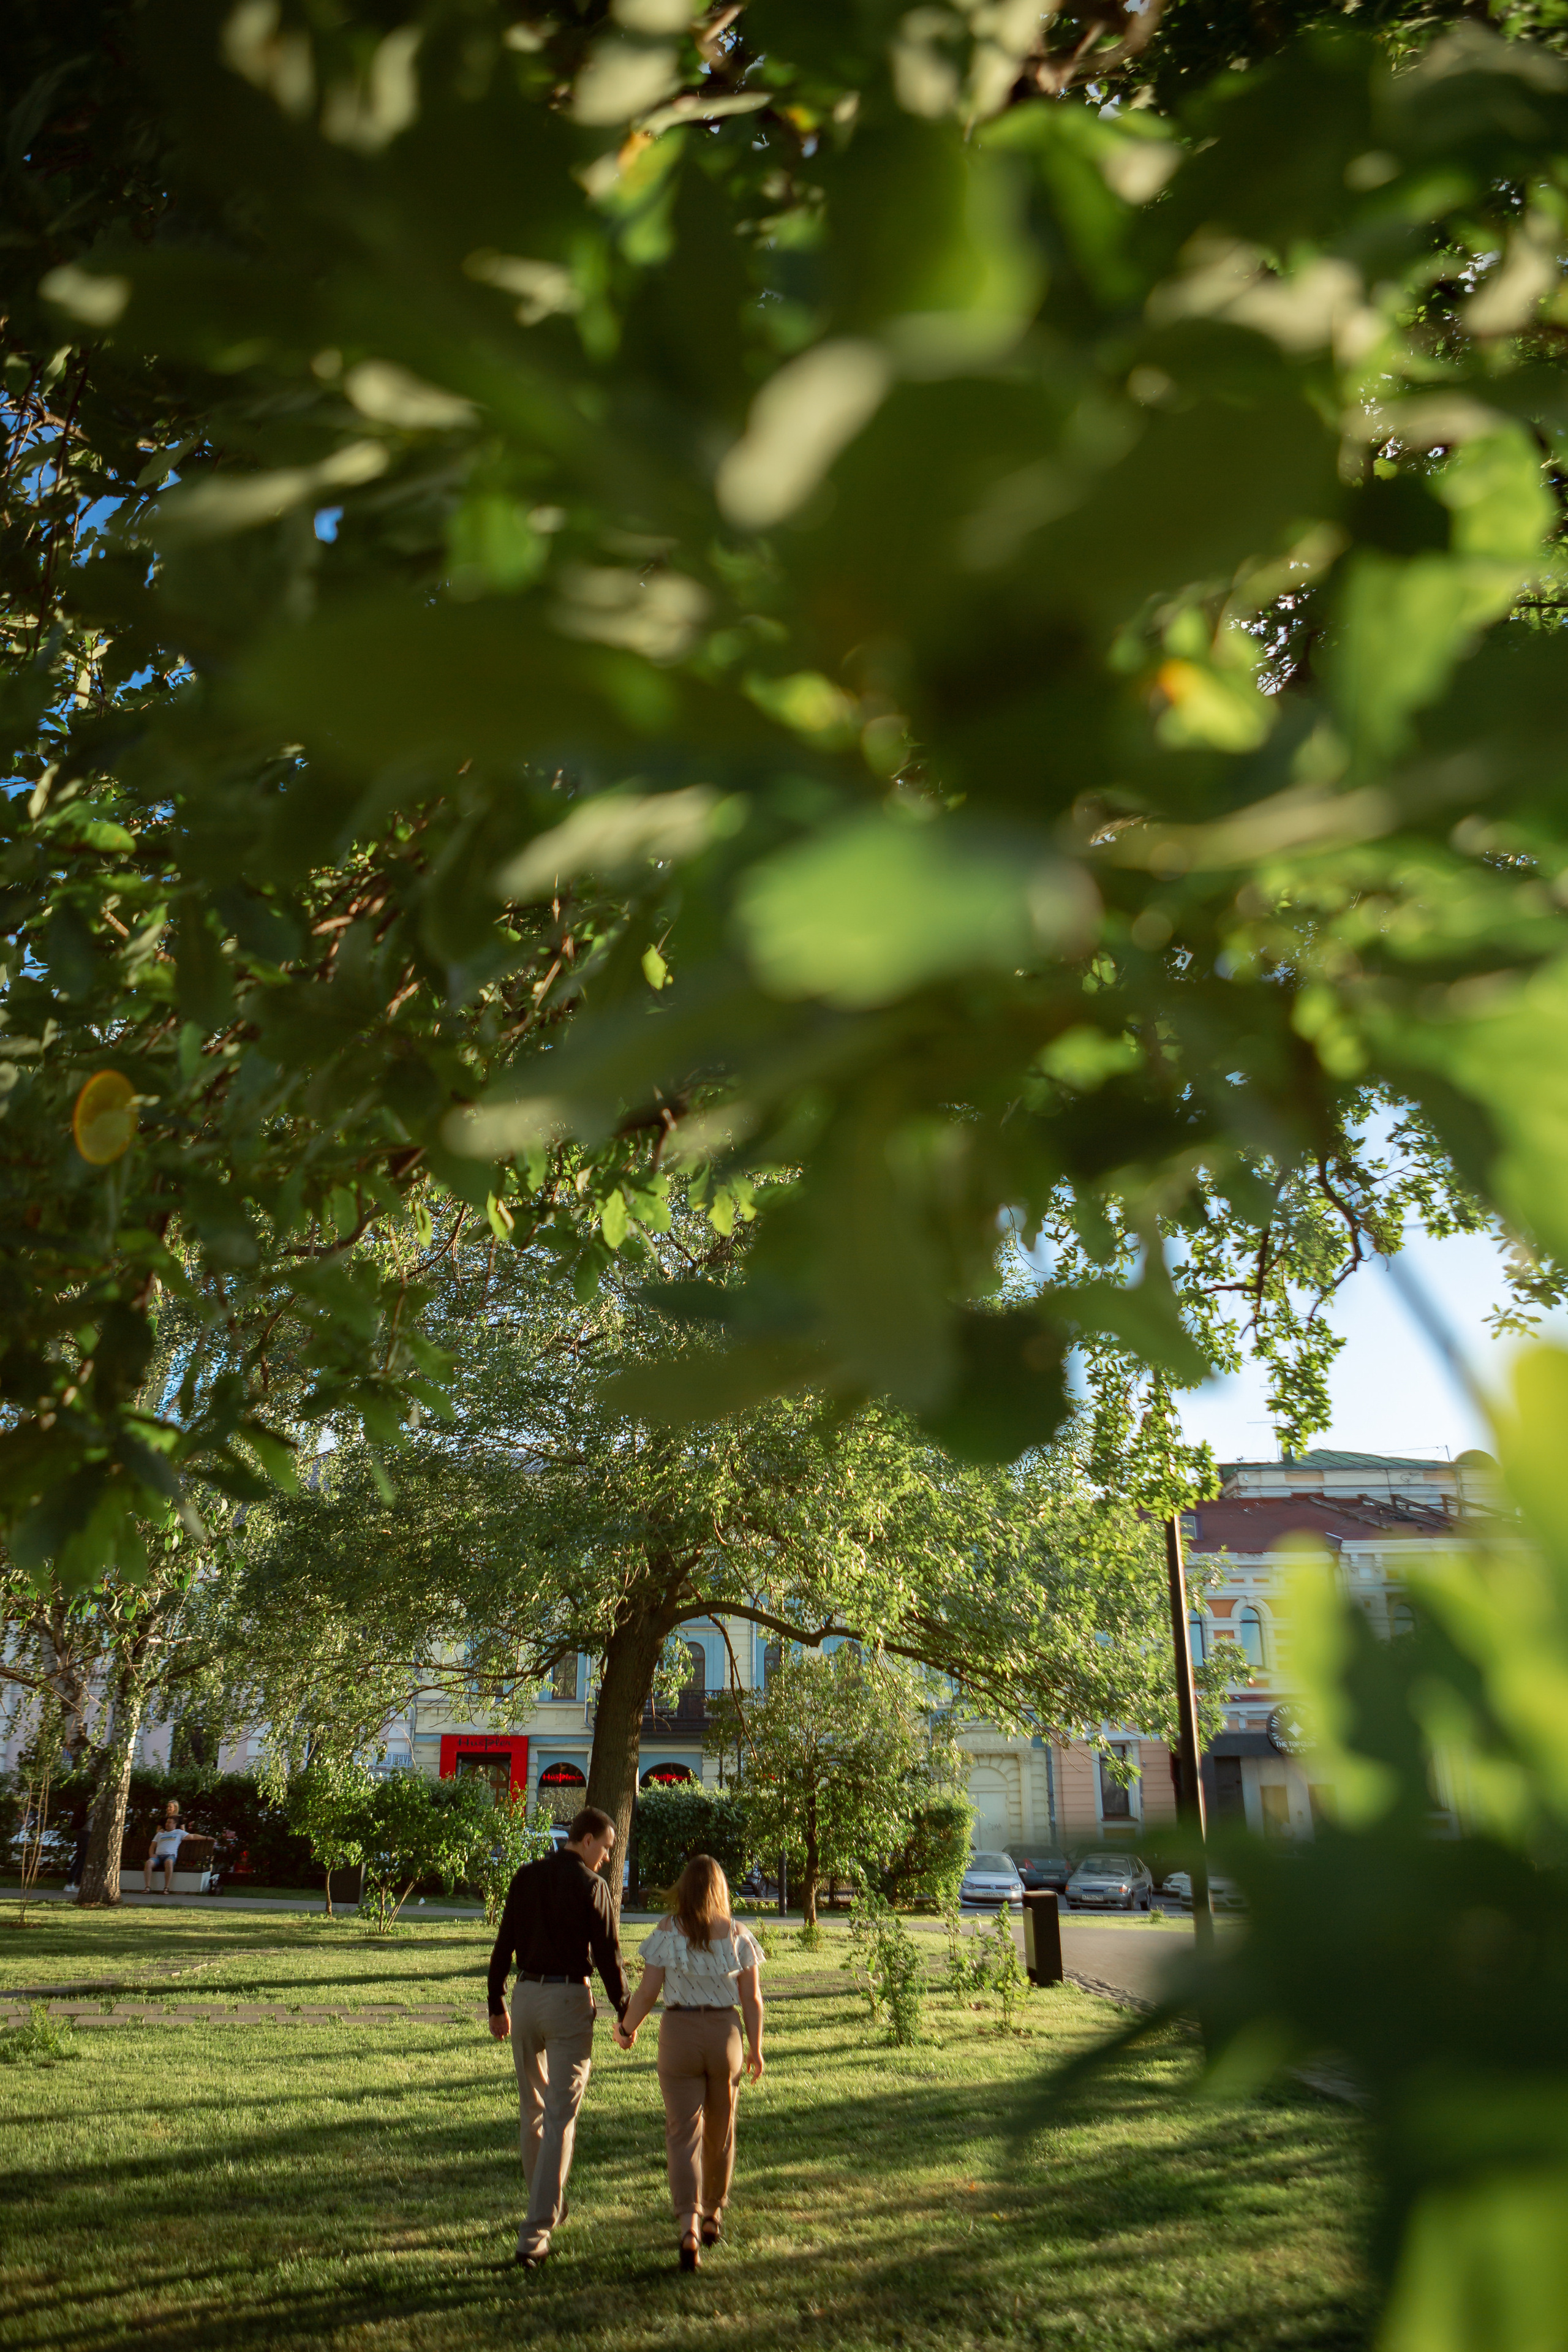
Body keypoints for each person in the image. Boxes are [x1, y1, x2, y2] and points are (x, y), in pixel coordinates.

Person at [487, 1804, 630, 2271]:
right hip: (568, 2000)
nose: (606, 1857)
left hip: (526, 1997)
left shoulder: (526, 1877)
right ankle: (535, 2235)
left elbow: (504, 1942)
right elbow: (608, 1955)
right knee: (560, 2118)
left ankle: (546, 2203)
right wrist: (626, 2012)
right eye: (605, 1848)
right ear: (587, 1840)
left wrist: (496, 2002)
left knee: (533, 2111)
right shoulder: (593, 1886)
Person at [614, 1853, 766, 2272]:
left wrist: (626, 2028)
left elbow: (648, 1992)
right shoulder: (737, 1934)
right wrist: (756, 2048)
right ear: (720, 1889)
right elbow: (752, 1999)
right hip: (724, 2034)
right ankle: (714, 2212)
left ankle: (689, 2226)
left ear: (684, 1888)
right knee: (721, 2129)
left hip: (678, 2032)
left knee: (682, 2133)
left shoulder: (667, 1931)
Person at [143, 1800, 185, 1893]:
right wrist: (162, 1832)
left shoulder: (179, 1818)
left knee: (169, 1862)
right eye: (168, 1807)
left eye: (170, 1807)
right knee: (149, 1863)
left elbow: (183, 1831)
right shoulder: (164, 1819)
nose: (168, 1808)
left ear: (175, 1808)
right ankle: (147, 1887)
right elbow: (158, 1831)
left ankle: (166, 1888)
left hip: (174, 1844)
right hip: (164, 1842)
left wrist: (175, 1834)